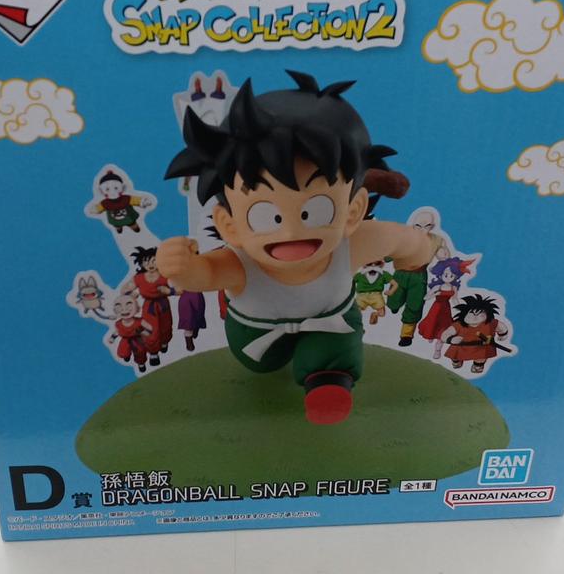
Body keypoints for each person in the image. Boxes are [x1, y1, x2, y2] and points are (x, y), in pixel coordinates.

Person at [157, 71, 436, 425]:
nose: (290, 232)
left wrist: (420, 251)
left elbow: (400, 240)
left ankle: (328, 384)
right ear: (231, 226)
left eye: (315, 211)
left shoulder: (354, 243)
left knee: (334, 350)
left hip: (330, 323)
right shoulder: (240, 262)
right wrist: (182, 268)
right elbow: (208, 273)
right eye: (265, 216)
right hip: (255, 336)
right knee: (261, 365)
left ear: (353, 212)